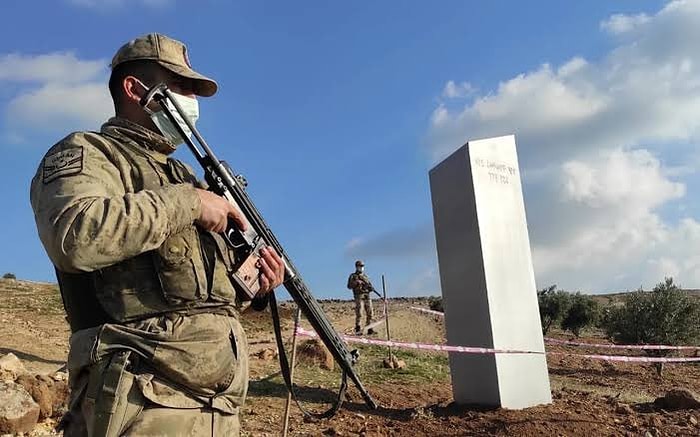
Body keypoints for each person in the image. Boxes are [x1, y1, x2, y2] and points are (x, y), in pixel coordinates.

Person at [29, 33, 285, 436]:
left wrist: (257, 284)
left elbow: (197, 292)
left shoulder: (182, 177)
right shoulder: (90, 153)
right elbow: (75, 237)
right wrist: (191, 204)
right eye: (181, 87)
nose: (192, 102)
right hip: (140, 401)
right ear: (134, 89)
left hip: (217, 407)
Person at [346, 260, 375, 335]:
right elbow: (349, 286)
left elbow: (370, 286)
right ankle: (358, 328)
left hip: (367, 295)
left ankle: (370, 329)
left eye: (362, 266)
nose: (361, 268)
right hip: (359, 296)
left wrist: (371, 288)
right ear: (356, 267)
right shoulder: (353, 276)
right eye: (360, 266)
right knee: (359, 313)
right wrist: (356, 283)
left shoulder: (365, 276)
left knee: (370, 313)